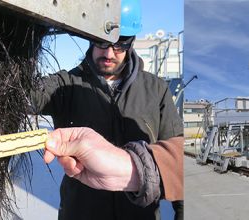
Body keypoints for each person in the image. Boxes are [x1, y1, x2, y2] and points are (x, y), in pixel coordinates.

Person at [31, 0, 184, 219]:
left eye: (120, 43)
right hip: (81, 212)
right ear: (90, 37)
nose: (109, 53)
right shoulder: (64, 84)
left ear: (131, 42)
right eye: (102, 41)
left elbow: (174, 152)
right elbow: (24, 95)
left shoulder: (156, 89)